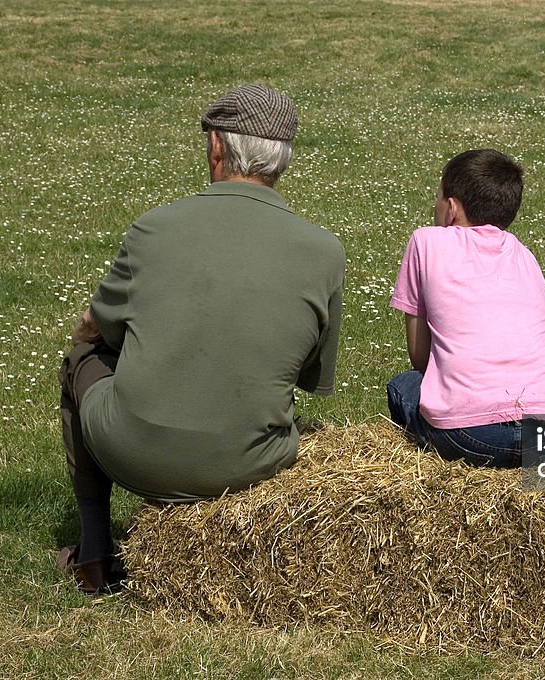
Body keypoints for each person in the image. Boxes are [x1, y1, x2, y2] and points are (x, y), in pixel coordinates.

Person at [57, 84, 345, 594]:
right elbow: (310, 377)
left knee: (82, 357)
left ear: (216, 147)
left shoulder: (154, 228)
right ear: (282, 161)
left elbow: (98, 329)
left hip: (133, 454)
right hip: (252, 465)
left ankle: (95, 553)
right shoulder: (325, 252)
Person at [386, 149, 545, 468]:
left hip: (474, 435)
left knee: (403, 385)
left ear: (451, 209)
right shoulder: (525, 256)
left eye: (438, 198)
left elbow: (420, 357)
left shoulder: (426, 242)